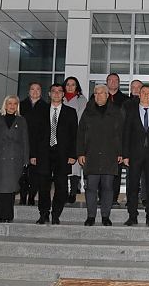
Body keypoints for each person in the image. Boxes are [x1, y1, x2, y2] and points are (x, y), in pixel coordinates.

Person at [77, 84, 123, 226]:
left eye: (101, 93)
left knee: (108, 187)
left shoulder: (116, 111)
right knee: (91, 187)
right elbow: (80, 133)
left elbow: (120, 133)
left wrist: (120, 152)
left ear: (107, 95)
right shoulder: (88, 110)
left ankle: (105, 216)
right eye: (96, 93)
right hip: (91, 155)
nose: (98, 96)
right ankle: (91, 216)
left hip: (110, 155)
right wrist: (80, 153)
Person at [32, 84, 78, 225]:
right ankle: (44, 214)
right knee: (43, 186)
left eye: (59, 91)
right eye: (54, 91)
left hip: (63, 154)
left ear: (63, 94)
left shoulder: (70, 112)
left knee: (61, 187)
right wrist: (33, 154)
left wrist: (73, 155)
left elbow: (74, 135)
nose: (57, 94)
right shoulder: (41, 111)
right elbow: (34, 135)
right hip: (43, 153)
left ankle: (56, 214)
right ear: (49, 94)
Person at [0, 95, 29, 223]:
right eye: (10, 103)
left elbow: (25, 141)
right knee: (0, 189)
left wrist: (26, 160)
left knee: (10, 189)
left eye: (15, 103)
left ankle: (8, 215)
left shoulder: (21, 121)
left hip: (15, 160)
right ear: (5, 105)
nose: (12, 106)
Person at [122, 85, 149, 227]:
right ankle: (132, 216)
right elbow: (126, 133)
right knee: (133, 186)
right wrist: (125, 155)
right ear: (139, 94)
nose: (146, 95)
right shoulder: (131, 111)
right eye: (143, 92)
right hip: (134, 155)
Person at [19, 82, 49, 206]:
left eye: (38, 89)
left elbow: (46, 129)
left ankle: (31, 196)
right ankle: (22, 196)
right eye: (32, 89)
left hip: (38, 146)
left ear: (41, 92)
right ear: (28, 91)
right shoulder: (20, 105)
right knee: (22, 174)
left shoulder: (46, 107)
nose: (35, 91)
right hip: (22, 144)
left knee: (34, 174)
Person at [63, 76, 87, 204]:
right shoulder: (60, 98)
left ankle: (73, 191)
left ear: (77, 86)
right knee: (62, 165)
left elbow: (82, 118)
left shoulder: (81, 100)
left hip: (76, 135)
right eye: (68, 84)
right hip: (61, 137)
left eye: (73, 84)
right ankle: (63, 191)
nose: (70, 87)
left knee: (75, 166)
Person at [105, 72, 128, 206]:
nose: (113, 82)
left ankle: (114, 198)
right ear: (106, 82)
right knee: (101, 171)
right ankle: (102, 198)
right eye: (110, 80)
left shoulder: (125, 100)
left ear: (119, 83)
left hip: (118, 141)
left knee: (116, 172)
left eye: (115, 80)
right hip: (101, 141)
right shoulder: (98, 97)